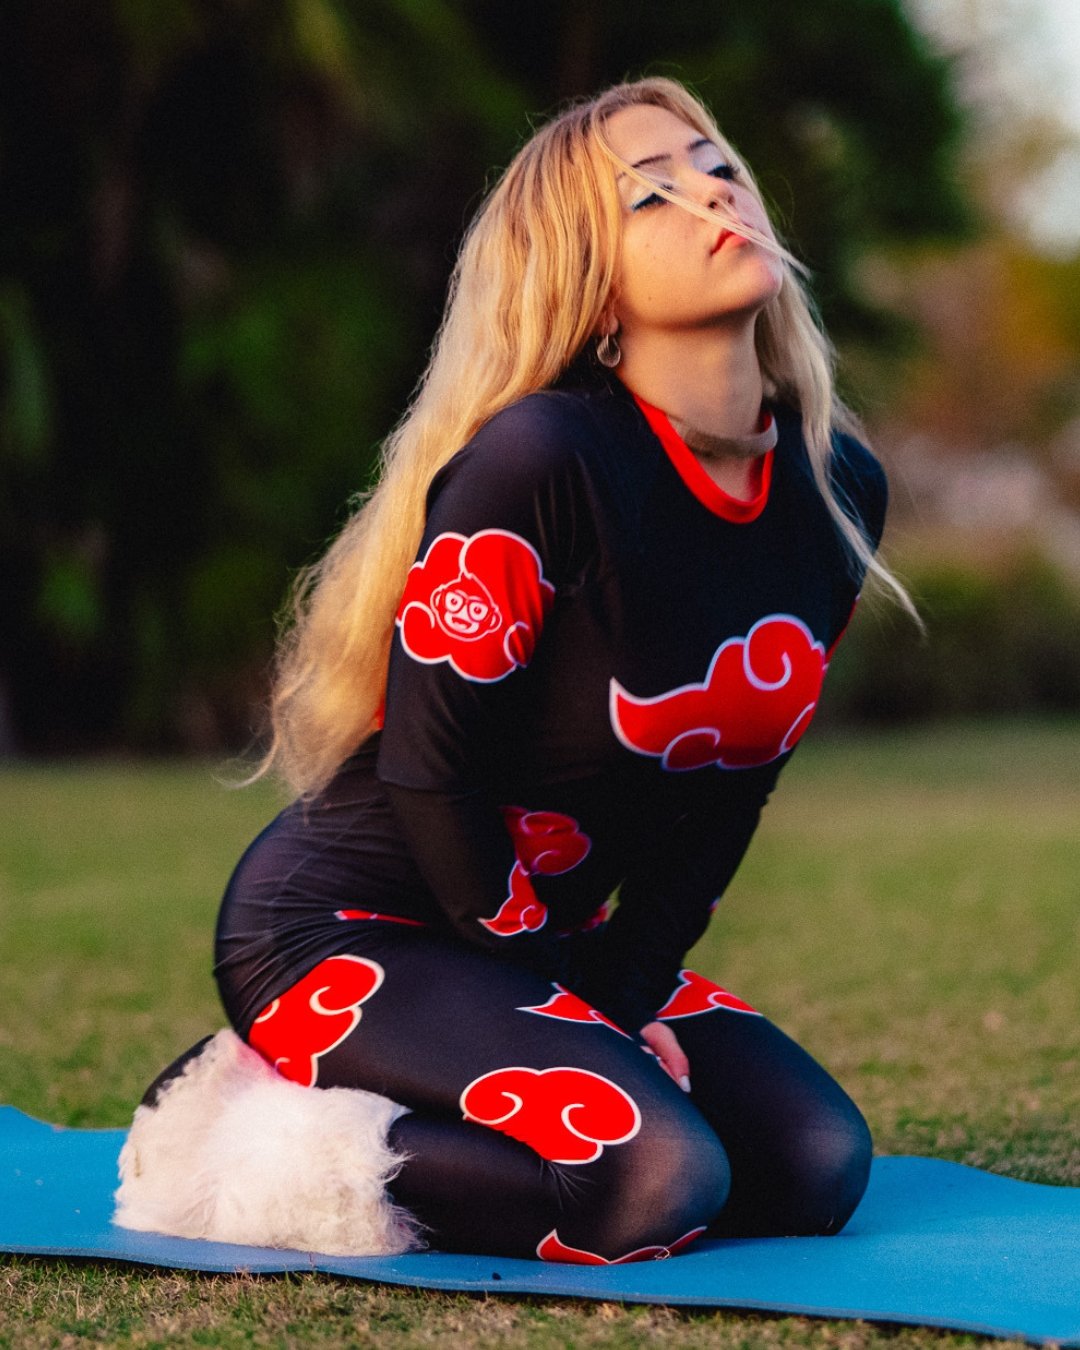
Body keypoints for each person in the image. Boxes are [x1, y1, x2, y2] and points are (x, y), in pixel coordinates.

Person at [208, 76, 912, 1263]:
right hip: (350, 931)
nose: (711, 196)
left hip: (552, 939)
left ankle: (515, 1082)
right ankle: (258, 1146)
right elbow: (431, 775)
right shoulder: (543, 458)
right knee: (658, 1178)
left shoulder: (837, 486)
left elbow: (733, 791)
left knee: (813, 1163)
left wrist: (623, 991)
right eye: (651, 197)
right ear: (592, 285)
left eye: (716, 167)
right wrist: (575, 1003)